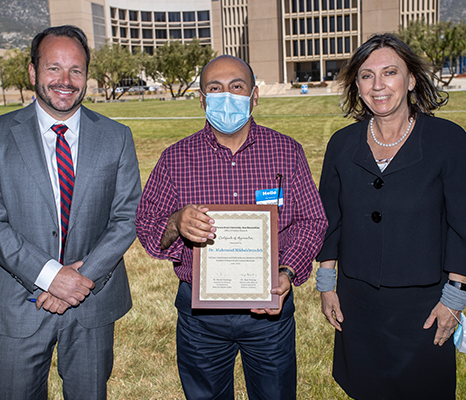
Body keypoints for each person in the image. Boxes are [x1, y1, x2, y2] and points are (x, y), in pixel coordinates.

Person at [135, 55, 327, 400]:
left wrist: (286, 271)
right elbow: (149, 231)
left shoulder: (287, 152)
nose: (227, 96)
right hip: (200, 318)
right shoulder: (175, 159)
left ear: (254, 96)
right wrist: (176, 223)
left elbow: (312, 220)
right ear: (202, 98)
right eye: (215, 88)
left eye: (236, 87)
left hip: (269, 313)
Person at [315, 33, 466, 399]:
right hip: (357, 302)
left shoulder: (448, 139)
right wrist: (326, 285)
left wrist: (455, 299)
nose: (378, 85)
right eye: (366, 75)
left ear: (411, 79)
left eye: (390, 72)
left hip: (425, 306)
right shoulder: (342, 143)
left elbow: (464, 224)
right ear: (357, 84)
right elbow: (330, 219)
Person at [0, 25, 141, 399]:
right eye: (53, 68)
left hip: (92, 302)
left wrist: (78, 282)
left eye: (76, 70)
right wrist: (49, 276)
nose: (65, 80)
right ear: (32, 72)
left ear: (86, 76)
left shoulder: (116, 136)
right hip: (19, 304)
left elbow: (127, 218)